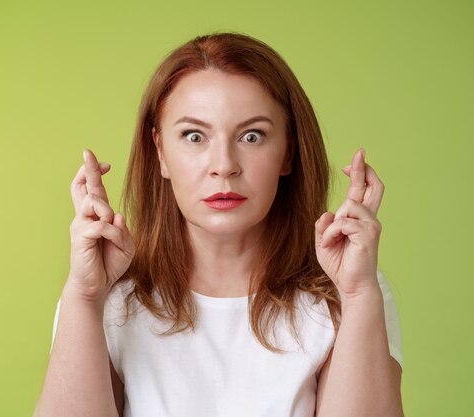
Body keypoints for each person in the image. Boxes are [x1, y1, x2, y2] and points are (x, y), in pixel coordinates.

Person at [34, 32, 404, 417]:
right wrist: (84, 296)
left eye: (251, 135)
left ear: (288, 153)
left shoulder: (350, 291)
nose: (224, 165)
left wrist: (359, 294)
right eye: (194, 136)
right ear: (161, 152)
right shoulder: (103, 295)